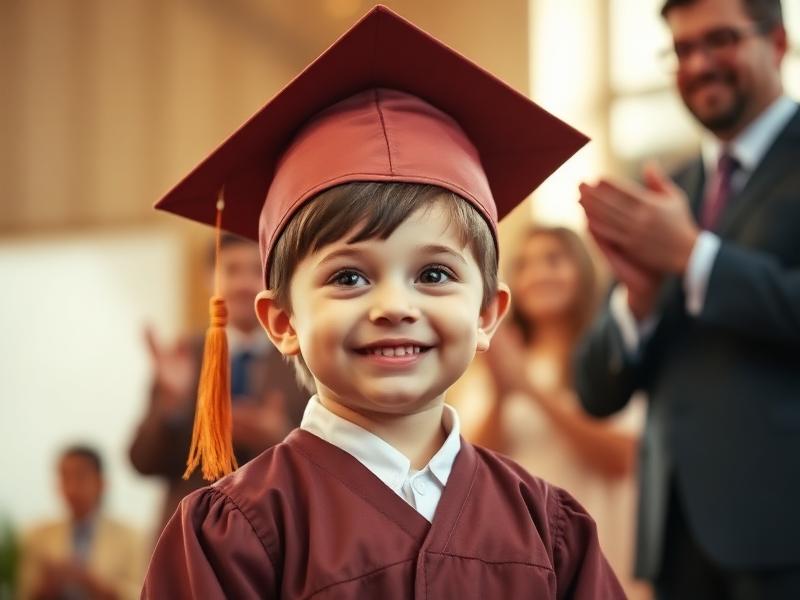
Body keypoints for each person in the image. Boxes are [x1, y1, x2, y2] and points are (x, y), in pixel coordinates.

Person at [140, 5, 625, 598]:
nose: (394, 305)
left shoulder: (551, 529)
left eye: (434, 273)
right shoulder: (236, 532)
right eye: (348, 278)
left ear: (487, 314)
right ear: (282, 320)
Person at [576, 0, 800, 597]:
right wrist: (639, 302)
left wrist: (694, 258)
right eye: (681, 49)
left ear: (777, 41)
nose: (698, 64)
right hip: (678, 542)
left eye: (719, 40)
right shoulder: (667, 193)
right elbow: (596, 390)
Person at [459, 226, 649, 599]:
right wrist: (502, 395)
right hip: (523, 555)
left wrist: (530, 391)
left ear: (582, 269)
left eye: (554, 260)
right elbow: (470, 469)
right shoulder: (496, 358)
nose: (539, 274)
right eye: (526, 265)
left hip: (604, 545)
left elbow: (623, 458)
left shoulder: (609, 356)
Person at [129, 233, 309, 534]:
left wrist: (281, 438)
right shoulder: (184, 356)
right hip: (191, 532)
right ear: (208, 278)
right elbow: (143, 462)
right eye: (231, 270)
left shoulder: (303, 357)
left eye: (257, 271)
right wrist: (171, 407)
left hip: (276, 531)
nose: (243, 284)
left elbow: (331, 462)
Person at [17, 445, 145, 600]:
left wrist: (90, 582)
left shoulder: (131, 537)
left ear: (101, 483)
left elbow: (141, 594)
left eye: (80, 477)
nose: (71, 488)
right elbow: (22, 592)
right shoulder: (37, 536)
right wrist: (46, 585)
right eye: (65, 477)